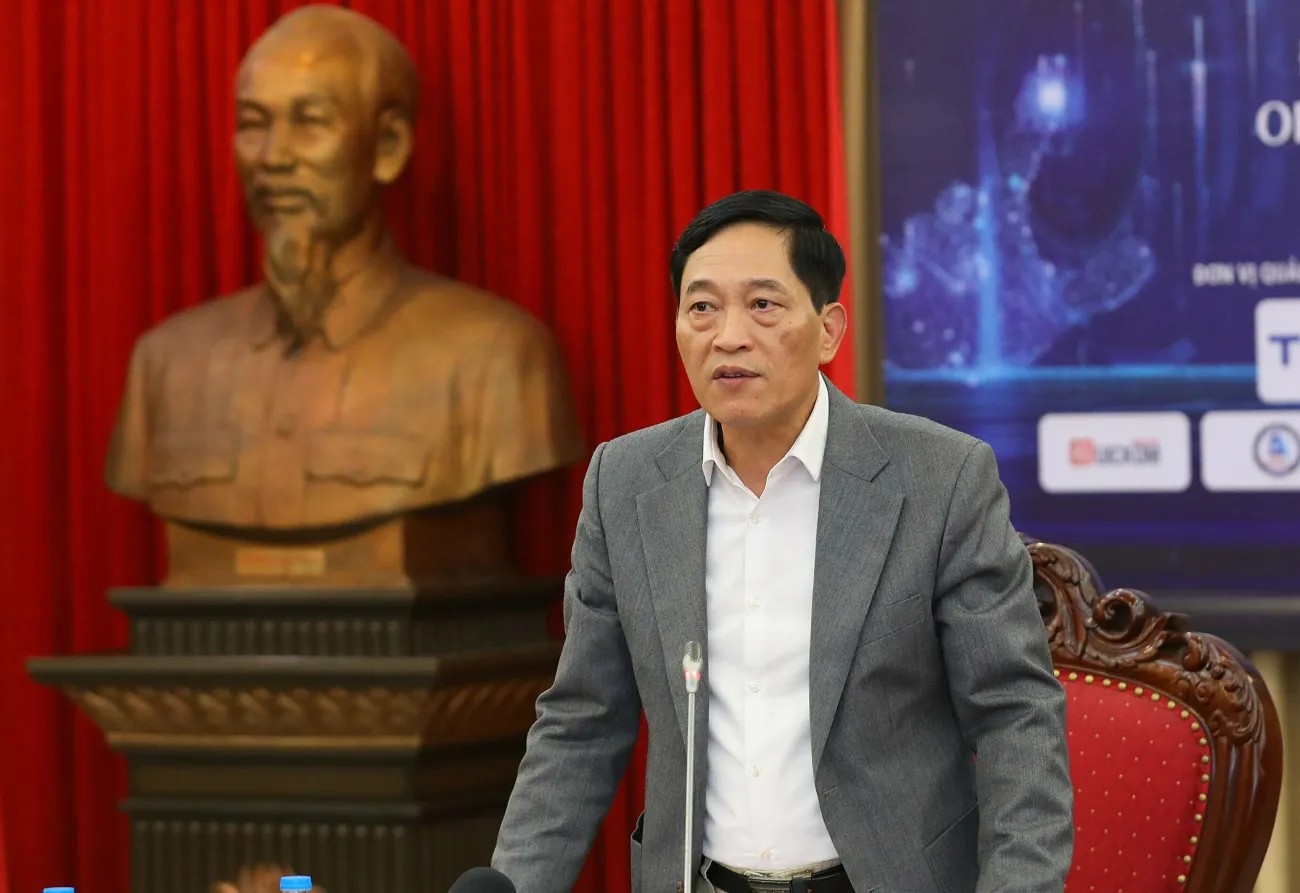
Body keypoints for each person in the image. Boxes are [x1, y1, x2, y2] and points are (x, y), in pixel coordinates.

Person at [491, 190, 1073, 893]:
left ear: (828, 330)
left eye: (763, 305)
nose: (728, 336)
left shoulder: (940, 479)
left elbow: (1014, 716)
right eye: (702, 308)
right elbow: (581, 723)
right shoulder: (625, 482)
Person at [105, 5, 582, 533]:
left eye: (310, 122)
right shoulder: (165, 365)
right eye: (253, 124)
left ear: (387, 146)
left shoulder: (497, 359)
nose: (272, 157)